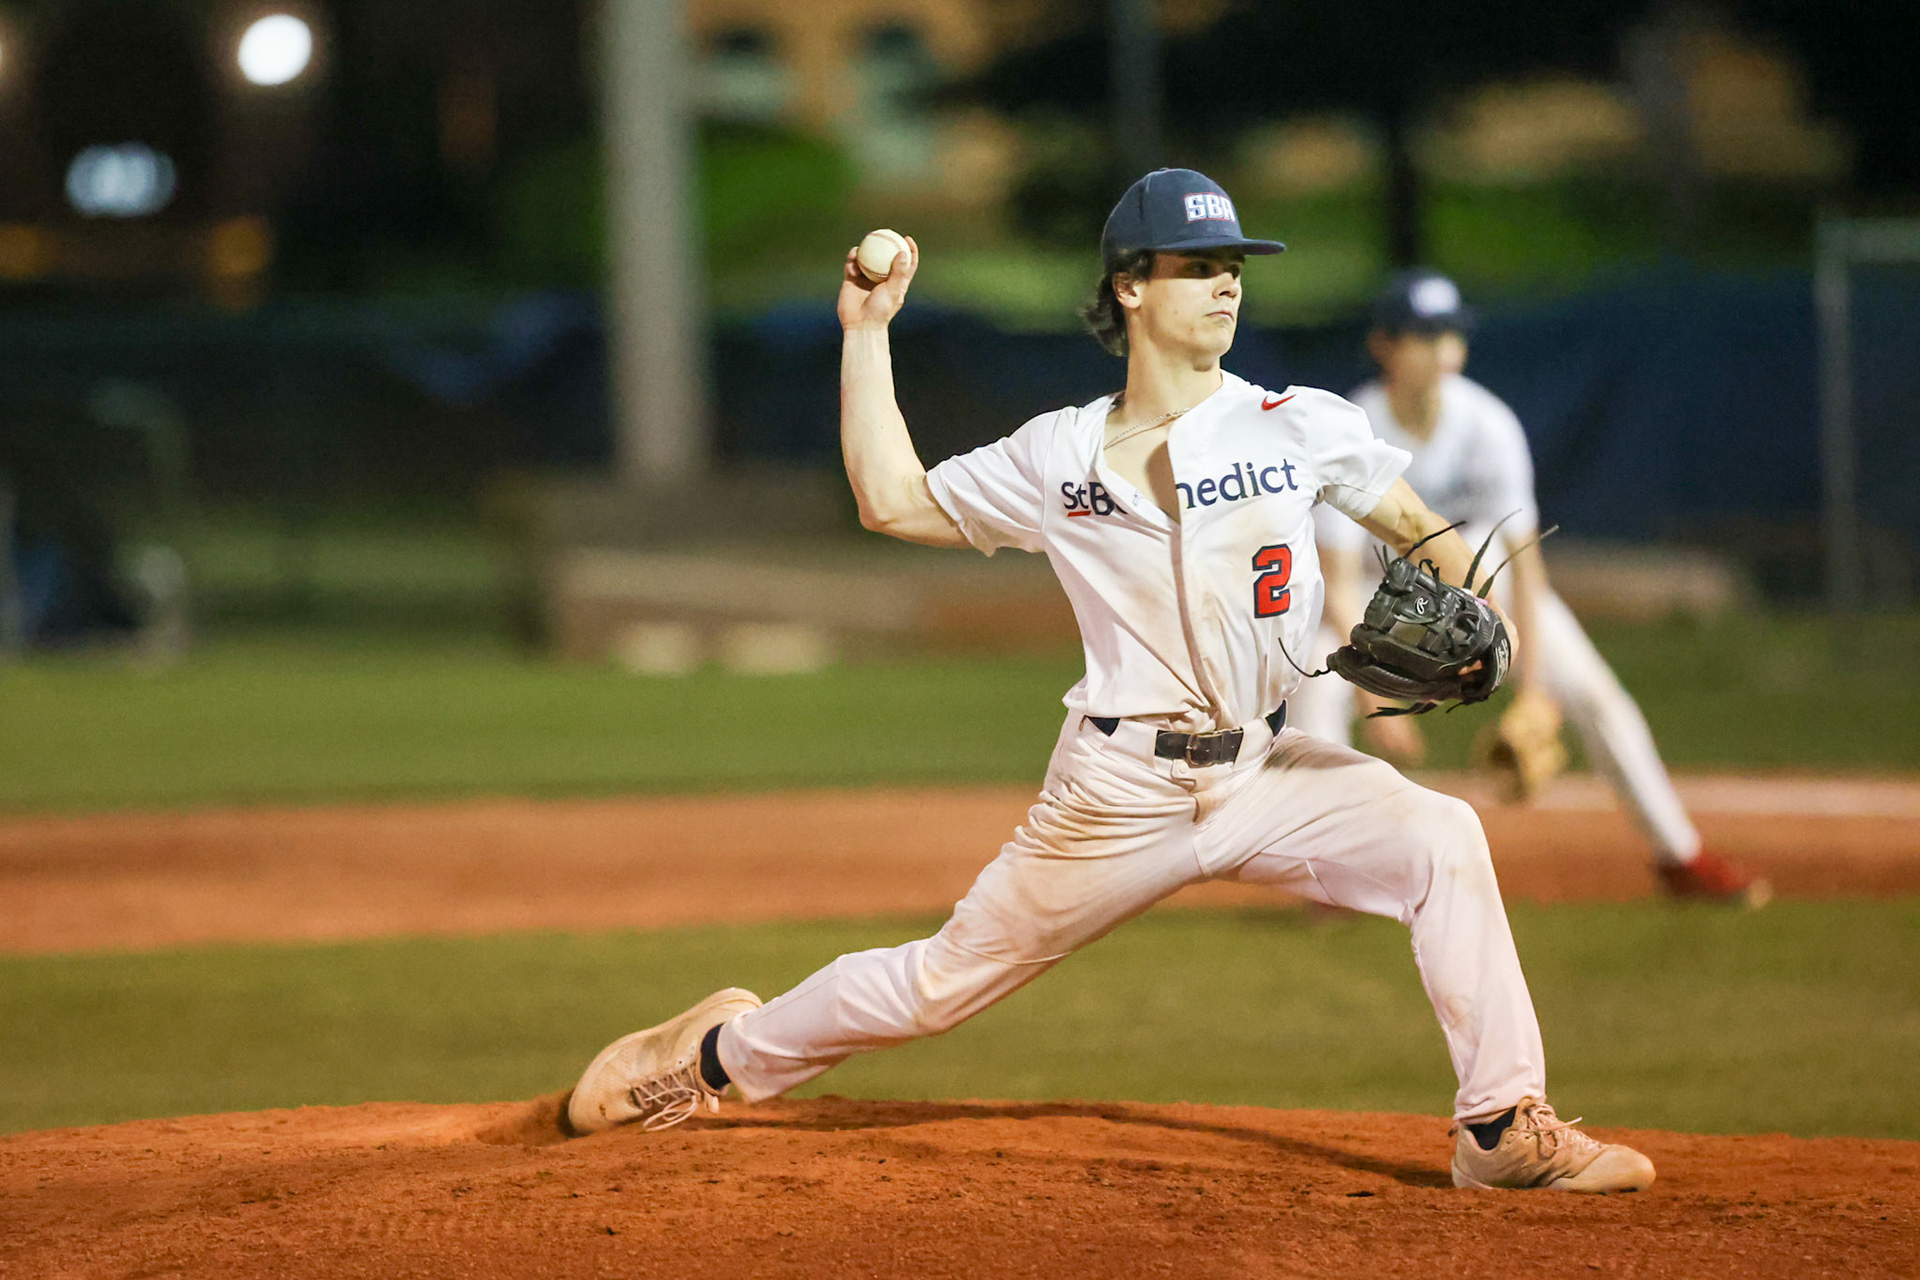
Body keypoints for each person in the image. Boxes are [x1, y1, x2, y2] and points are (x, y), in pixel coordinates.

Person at [566, 171, 1655, 1193]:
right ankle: (713, 1054)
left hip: (1266, 768)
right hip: (1117, 791)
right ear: (1130, 285)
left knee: (1441, 837)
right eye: (1195, 262)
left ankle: (1501, 1127)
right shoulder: (1061, 456)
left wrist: (1499, 634)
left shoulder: (1301, 421)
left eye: (1234, 261)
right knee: (937, 984)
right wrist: (867, 334)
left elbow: (1423, 531)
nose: (1227, 279)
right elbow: (892, 498)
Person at [1289, 270, 1768, 907]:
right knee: (1315, 695)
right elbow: (1338, 580)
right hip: (1381, 599)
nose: (1439, 348)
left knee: (1598, 696)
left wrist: (1535, 692)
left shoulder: (1488, 423)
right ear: (1384, 345)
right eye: (1421, 334)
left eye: (1448, 333)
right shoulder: (1355, 428)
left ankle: (1679, 855)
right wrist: (1374, 699)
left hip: (1487, 587)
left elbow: (1527, 566)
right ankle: (1329, 882)